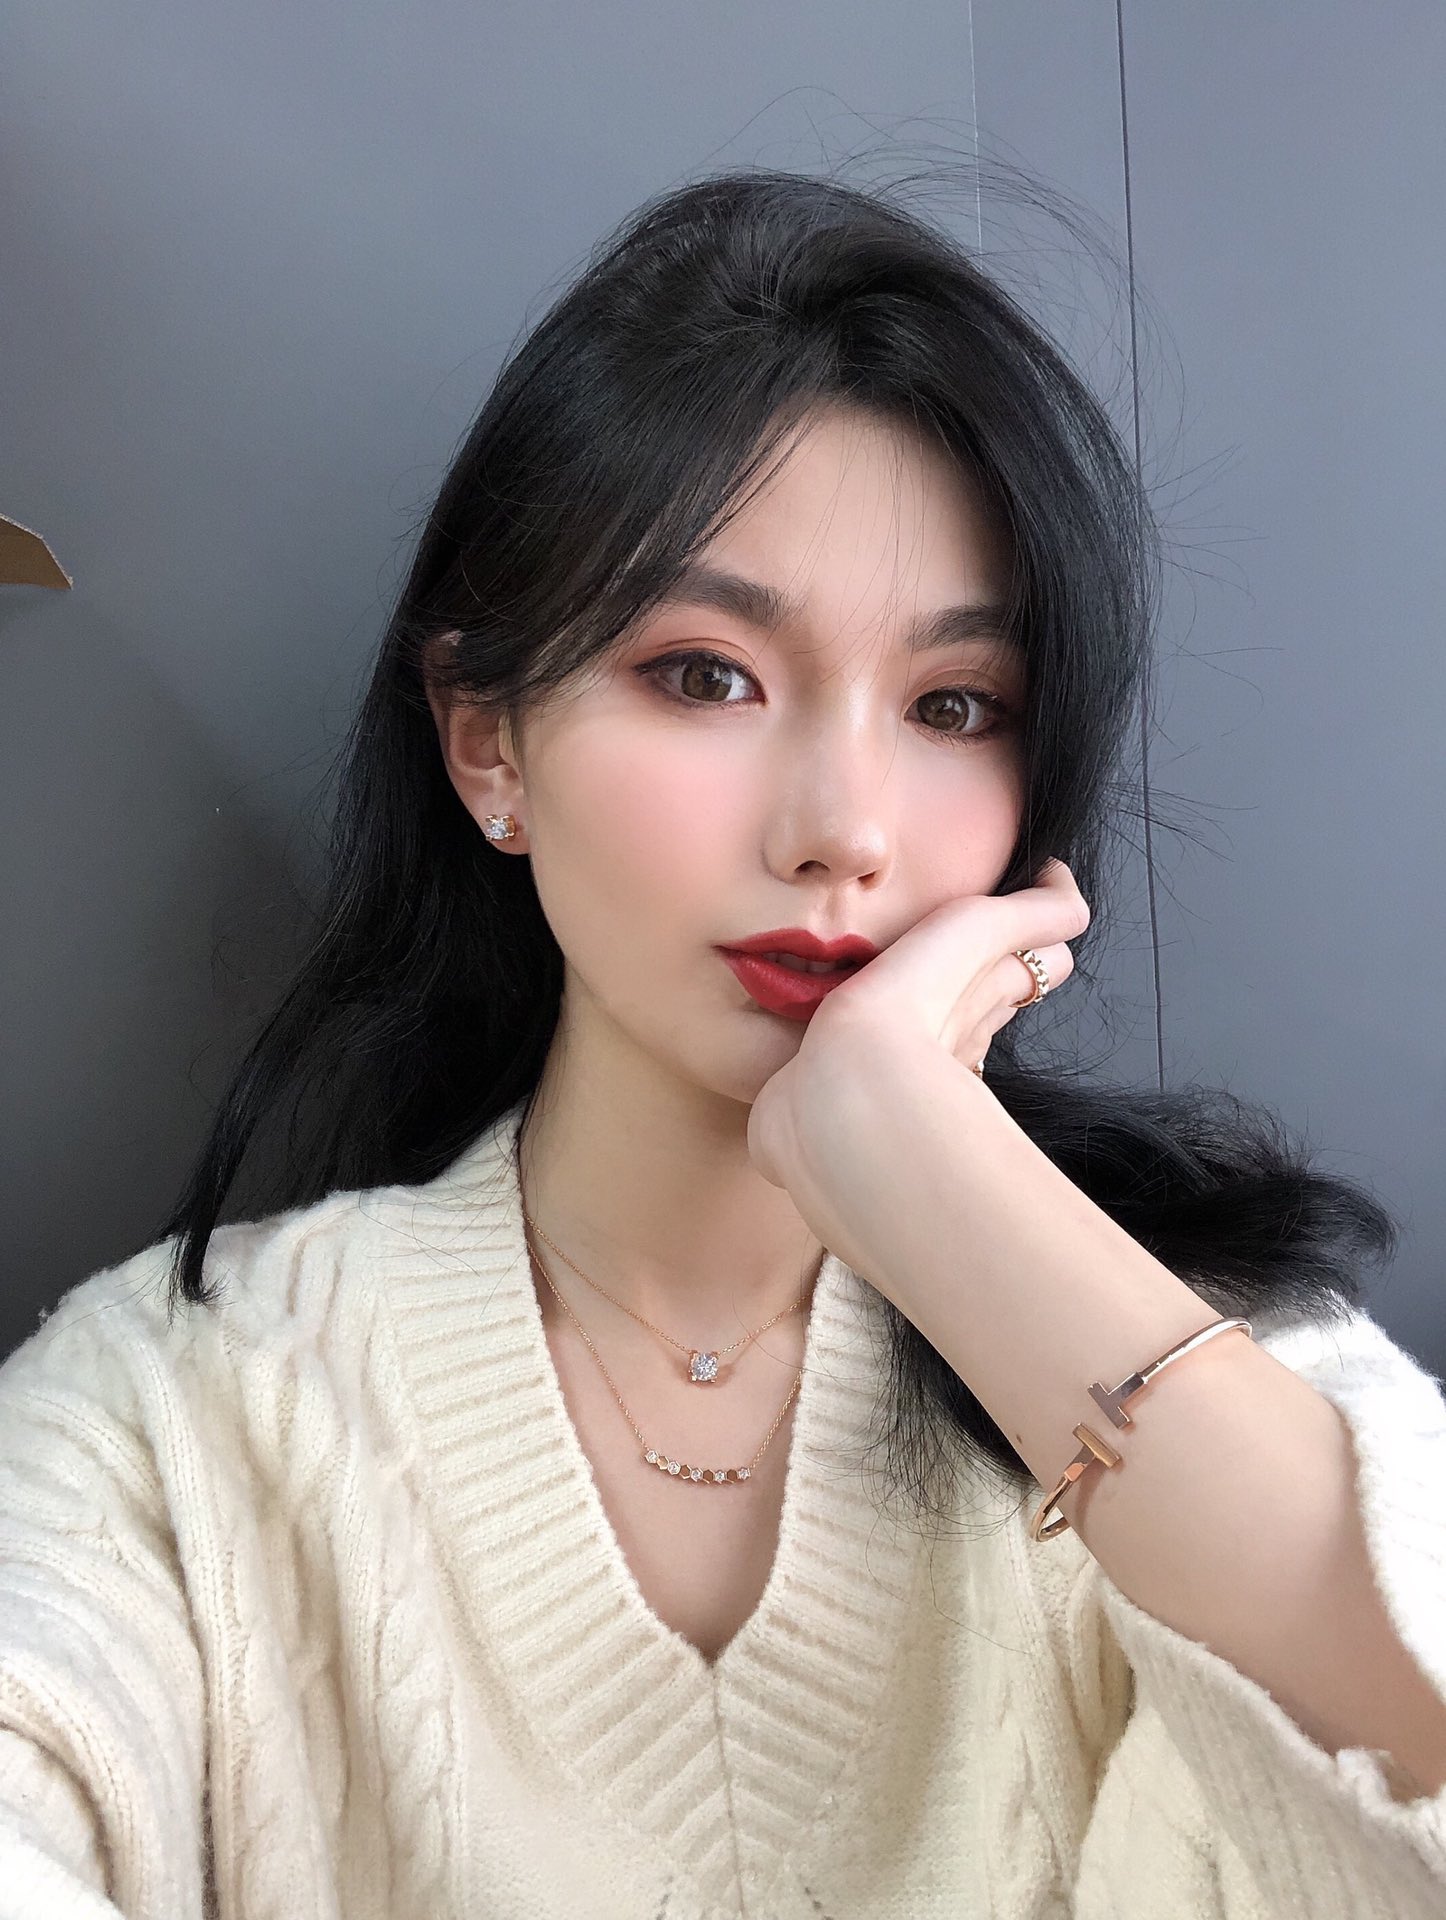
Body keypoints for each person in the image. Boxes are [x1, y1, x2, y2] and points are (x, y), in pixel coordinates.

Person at [3, 164, 1445, 1920]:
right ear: (487, 744)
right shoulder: (174, 1417)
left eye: (953, 706)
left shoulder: (1222, 1354)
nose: (843, 828)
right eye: (704, 674)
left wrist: (926, 1171)